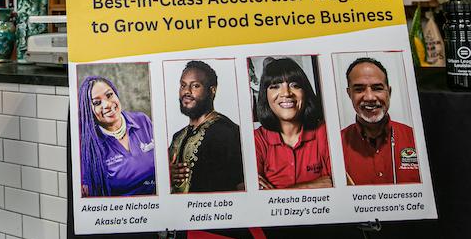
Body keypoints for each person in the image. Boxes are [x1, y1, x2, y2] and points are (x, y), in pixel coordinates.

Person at [253, 57, 332, 189]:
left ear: (305, 92)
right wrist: (309, 186)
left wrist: (275, 194)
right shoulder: (256, 140)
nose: (286, 93)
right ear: (265, 95)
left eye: (294, 85)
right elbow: (256, 197)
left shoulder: (325, 132)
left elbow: (340, 185)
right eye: (275, 86)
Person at [341, 57, 420, 185]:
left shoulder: (416, 138)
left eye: (377, 88)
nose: (369, 97)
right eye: (359, 89)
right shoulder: (335, 146)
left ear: (389, 92)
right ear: (349, 94)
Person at [168, 61, 244, 193]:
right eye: (183, 85)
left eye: (195, 86)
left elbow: (241, 186)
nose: (186, 91)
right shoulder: (178, 136)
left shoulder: (228, 132)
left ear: (212, 90)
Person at [78, 75, 156, 197]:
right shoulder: (89, 148)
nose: (107, 104)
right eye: (97, 103)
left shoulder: (142, 120)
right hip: (123, 208)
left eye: (109, 95)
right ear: (89, 111)